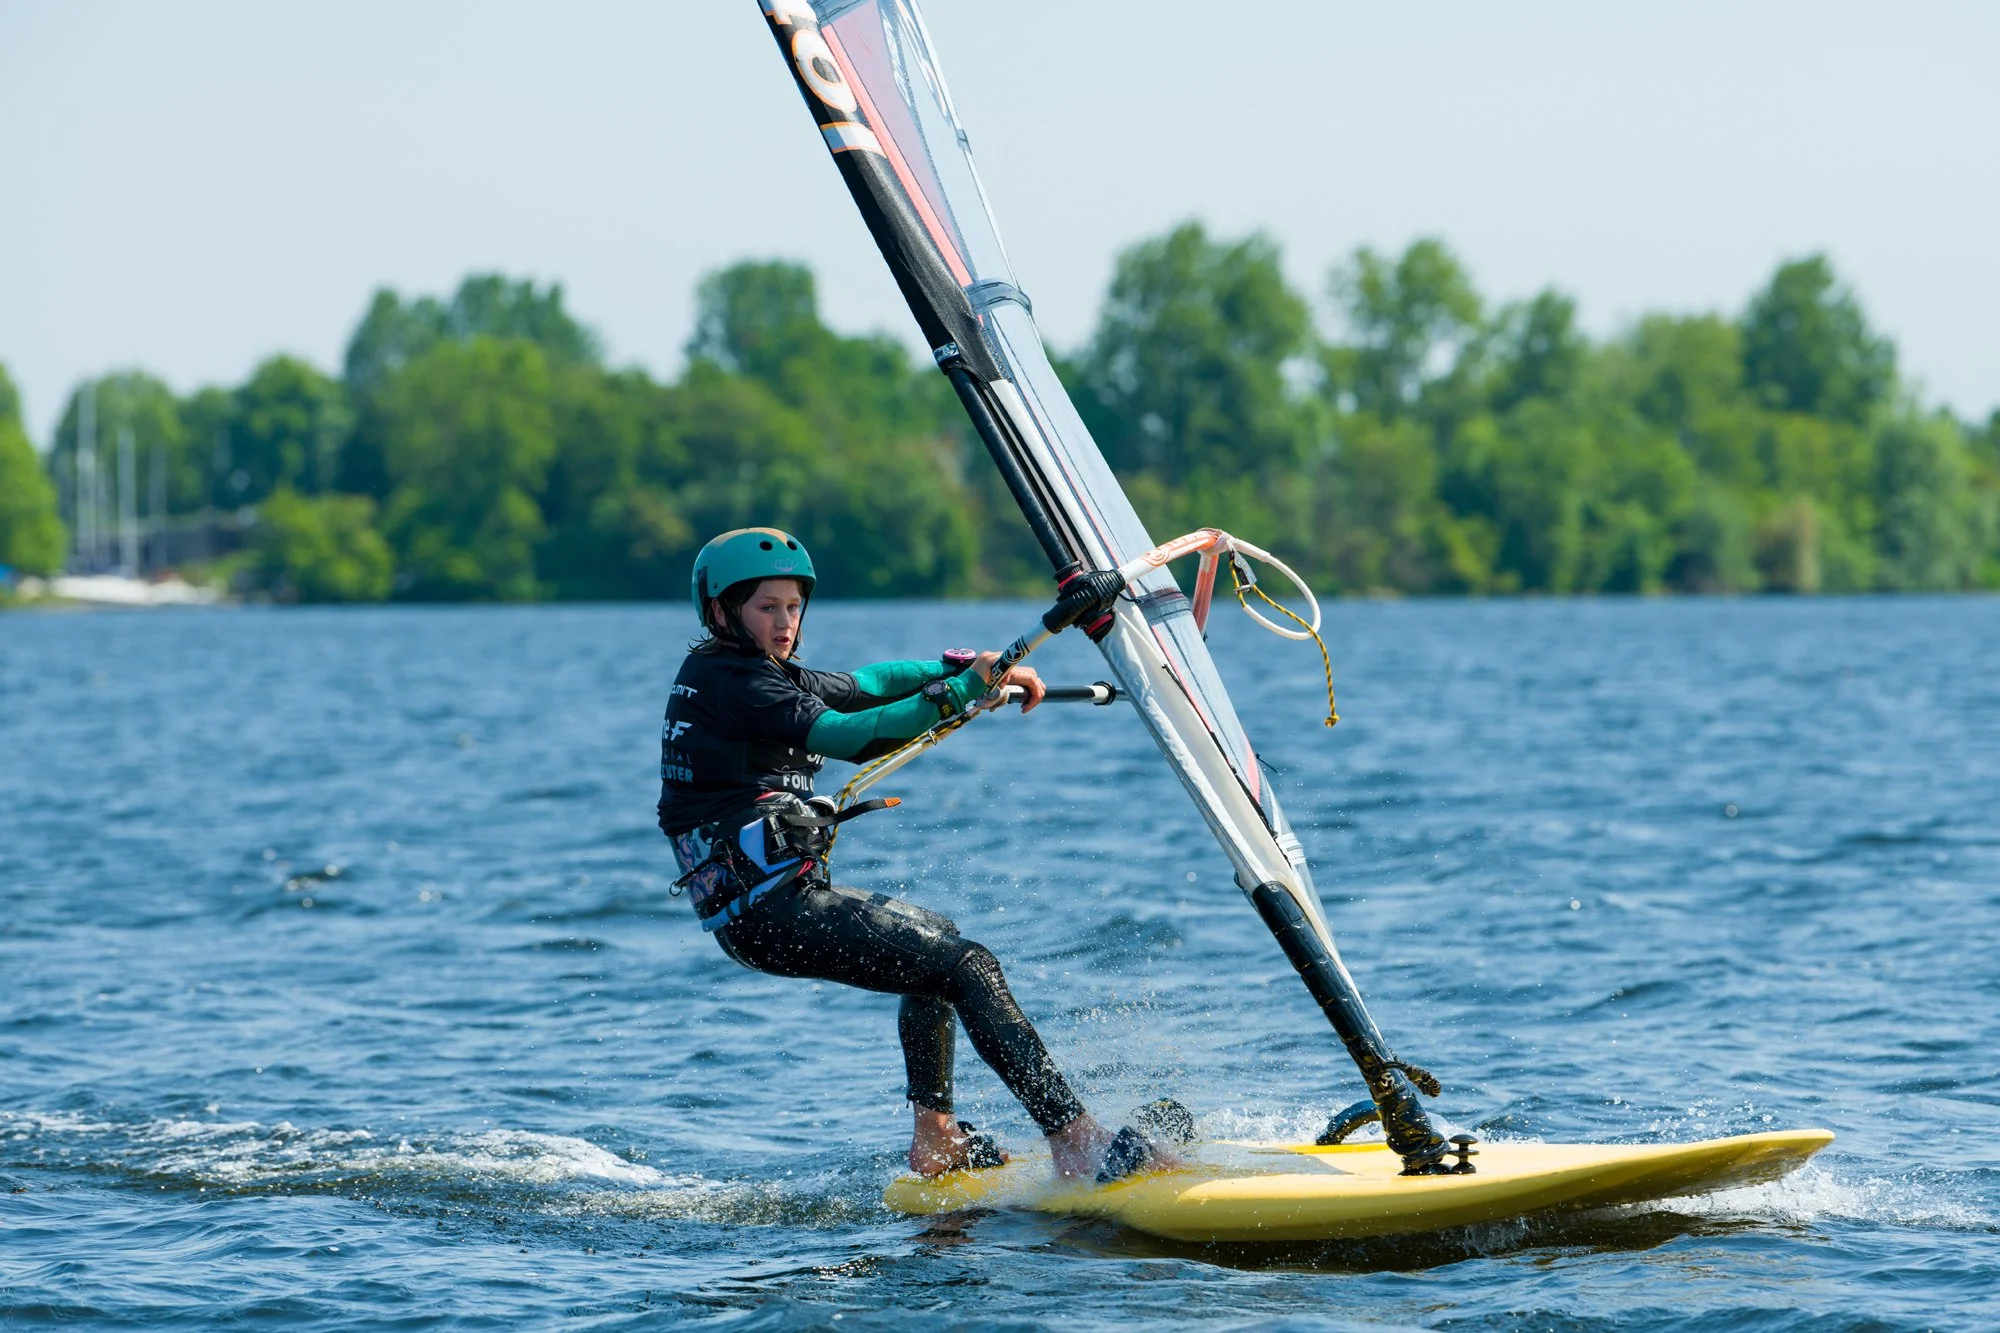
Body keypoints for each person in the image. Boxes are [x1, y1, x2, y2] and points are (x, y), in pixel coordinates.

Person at [658, 527, 1167, 1180]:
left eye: (793, 605)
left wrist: (961, 668)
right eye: (766, 607)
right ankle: (1076, 1139)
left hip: (769, 908)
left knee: (939, 943)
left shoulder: (746, 671)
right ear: (723, 612)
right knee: (969, 965)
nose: (785, 622)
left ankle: (937, 1136)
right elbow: (851, 733)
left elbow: (865, 683)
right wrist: (958, 694)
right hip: (769, 914)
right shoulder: (738, 684)